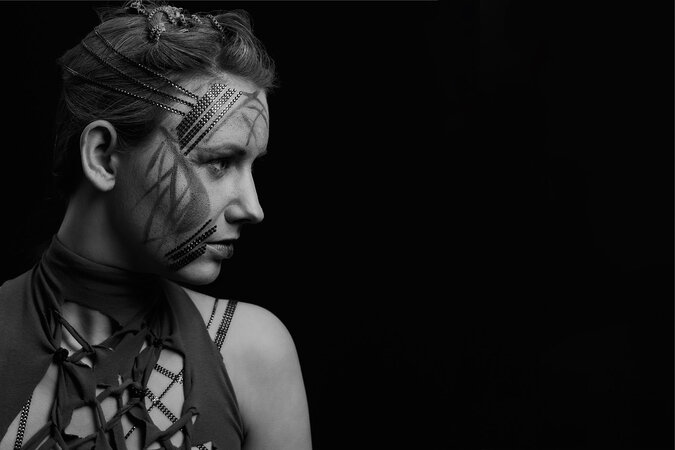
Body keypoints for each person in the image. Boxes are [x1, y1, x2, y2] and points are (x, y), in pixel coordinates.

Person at [0, 1, 311, 449]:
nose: (253, 208)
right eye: (219, 161)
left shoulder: (250, 354)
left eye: (251, 166)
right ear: (103, 157)